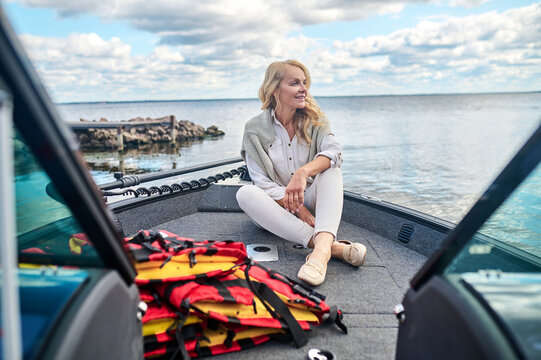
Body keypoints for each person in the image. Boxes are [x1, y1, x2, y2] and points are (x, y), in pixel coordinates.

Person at [237, 59, 367, 286]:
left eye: (304, 82)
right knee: (245, 194)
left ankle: (318, 256)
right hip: (276, 209)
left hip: (312, 198)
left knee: (331, 170)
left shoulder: (315, 120)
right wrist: (299, 211)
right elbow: (262, 183)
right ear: (275, 89)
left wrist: (303, 173)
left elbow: (335, 152)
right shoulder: (254, 129)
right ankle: (329, 247)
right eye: (295, 83)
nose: (303, 88)